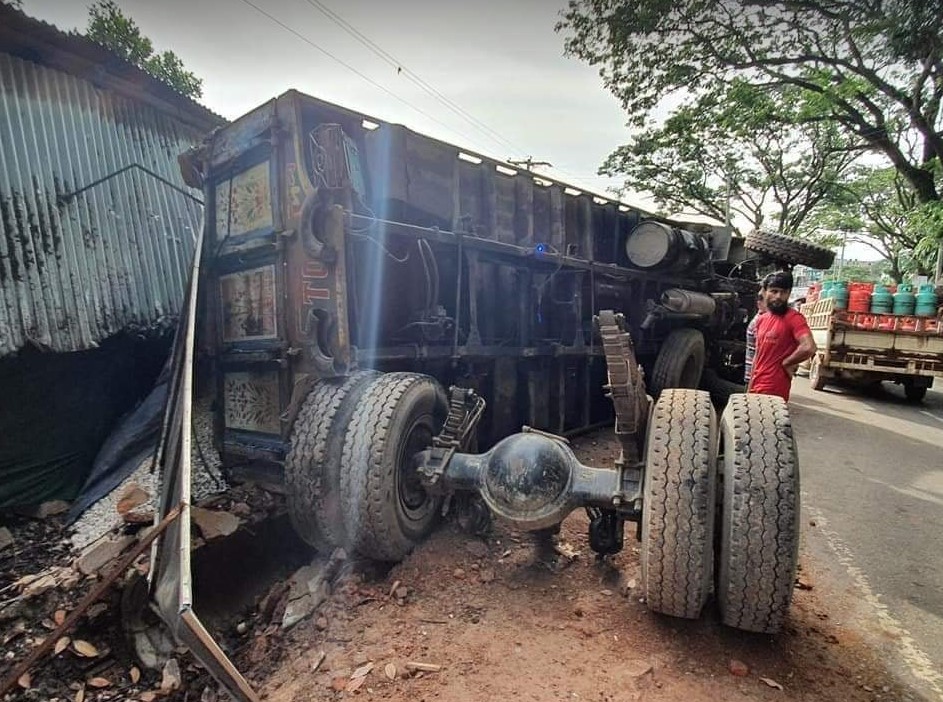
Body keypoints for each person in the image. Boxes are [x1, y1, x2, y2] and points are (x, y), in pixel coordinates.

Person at [748, 271, 817, 402]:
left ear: (789, 293)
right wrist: (749, 386)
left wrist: (787, 363)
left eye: (783, 292)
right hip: (755, 387)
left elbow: (809, 347)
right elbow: (757, 356)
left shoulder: (794, 318)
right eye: (774, 291)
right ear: (764, 292)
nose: (778, 296)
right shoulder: (761, 320)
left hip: (775, 392)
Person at [744, 291, 766, 385]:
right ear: (759, 303)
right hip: (755, 376)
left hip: (754, 375)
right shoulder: (758, 322)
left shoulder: (761, 320)